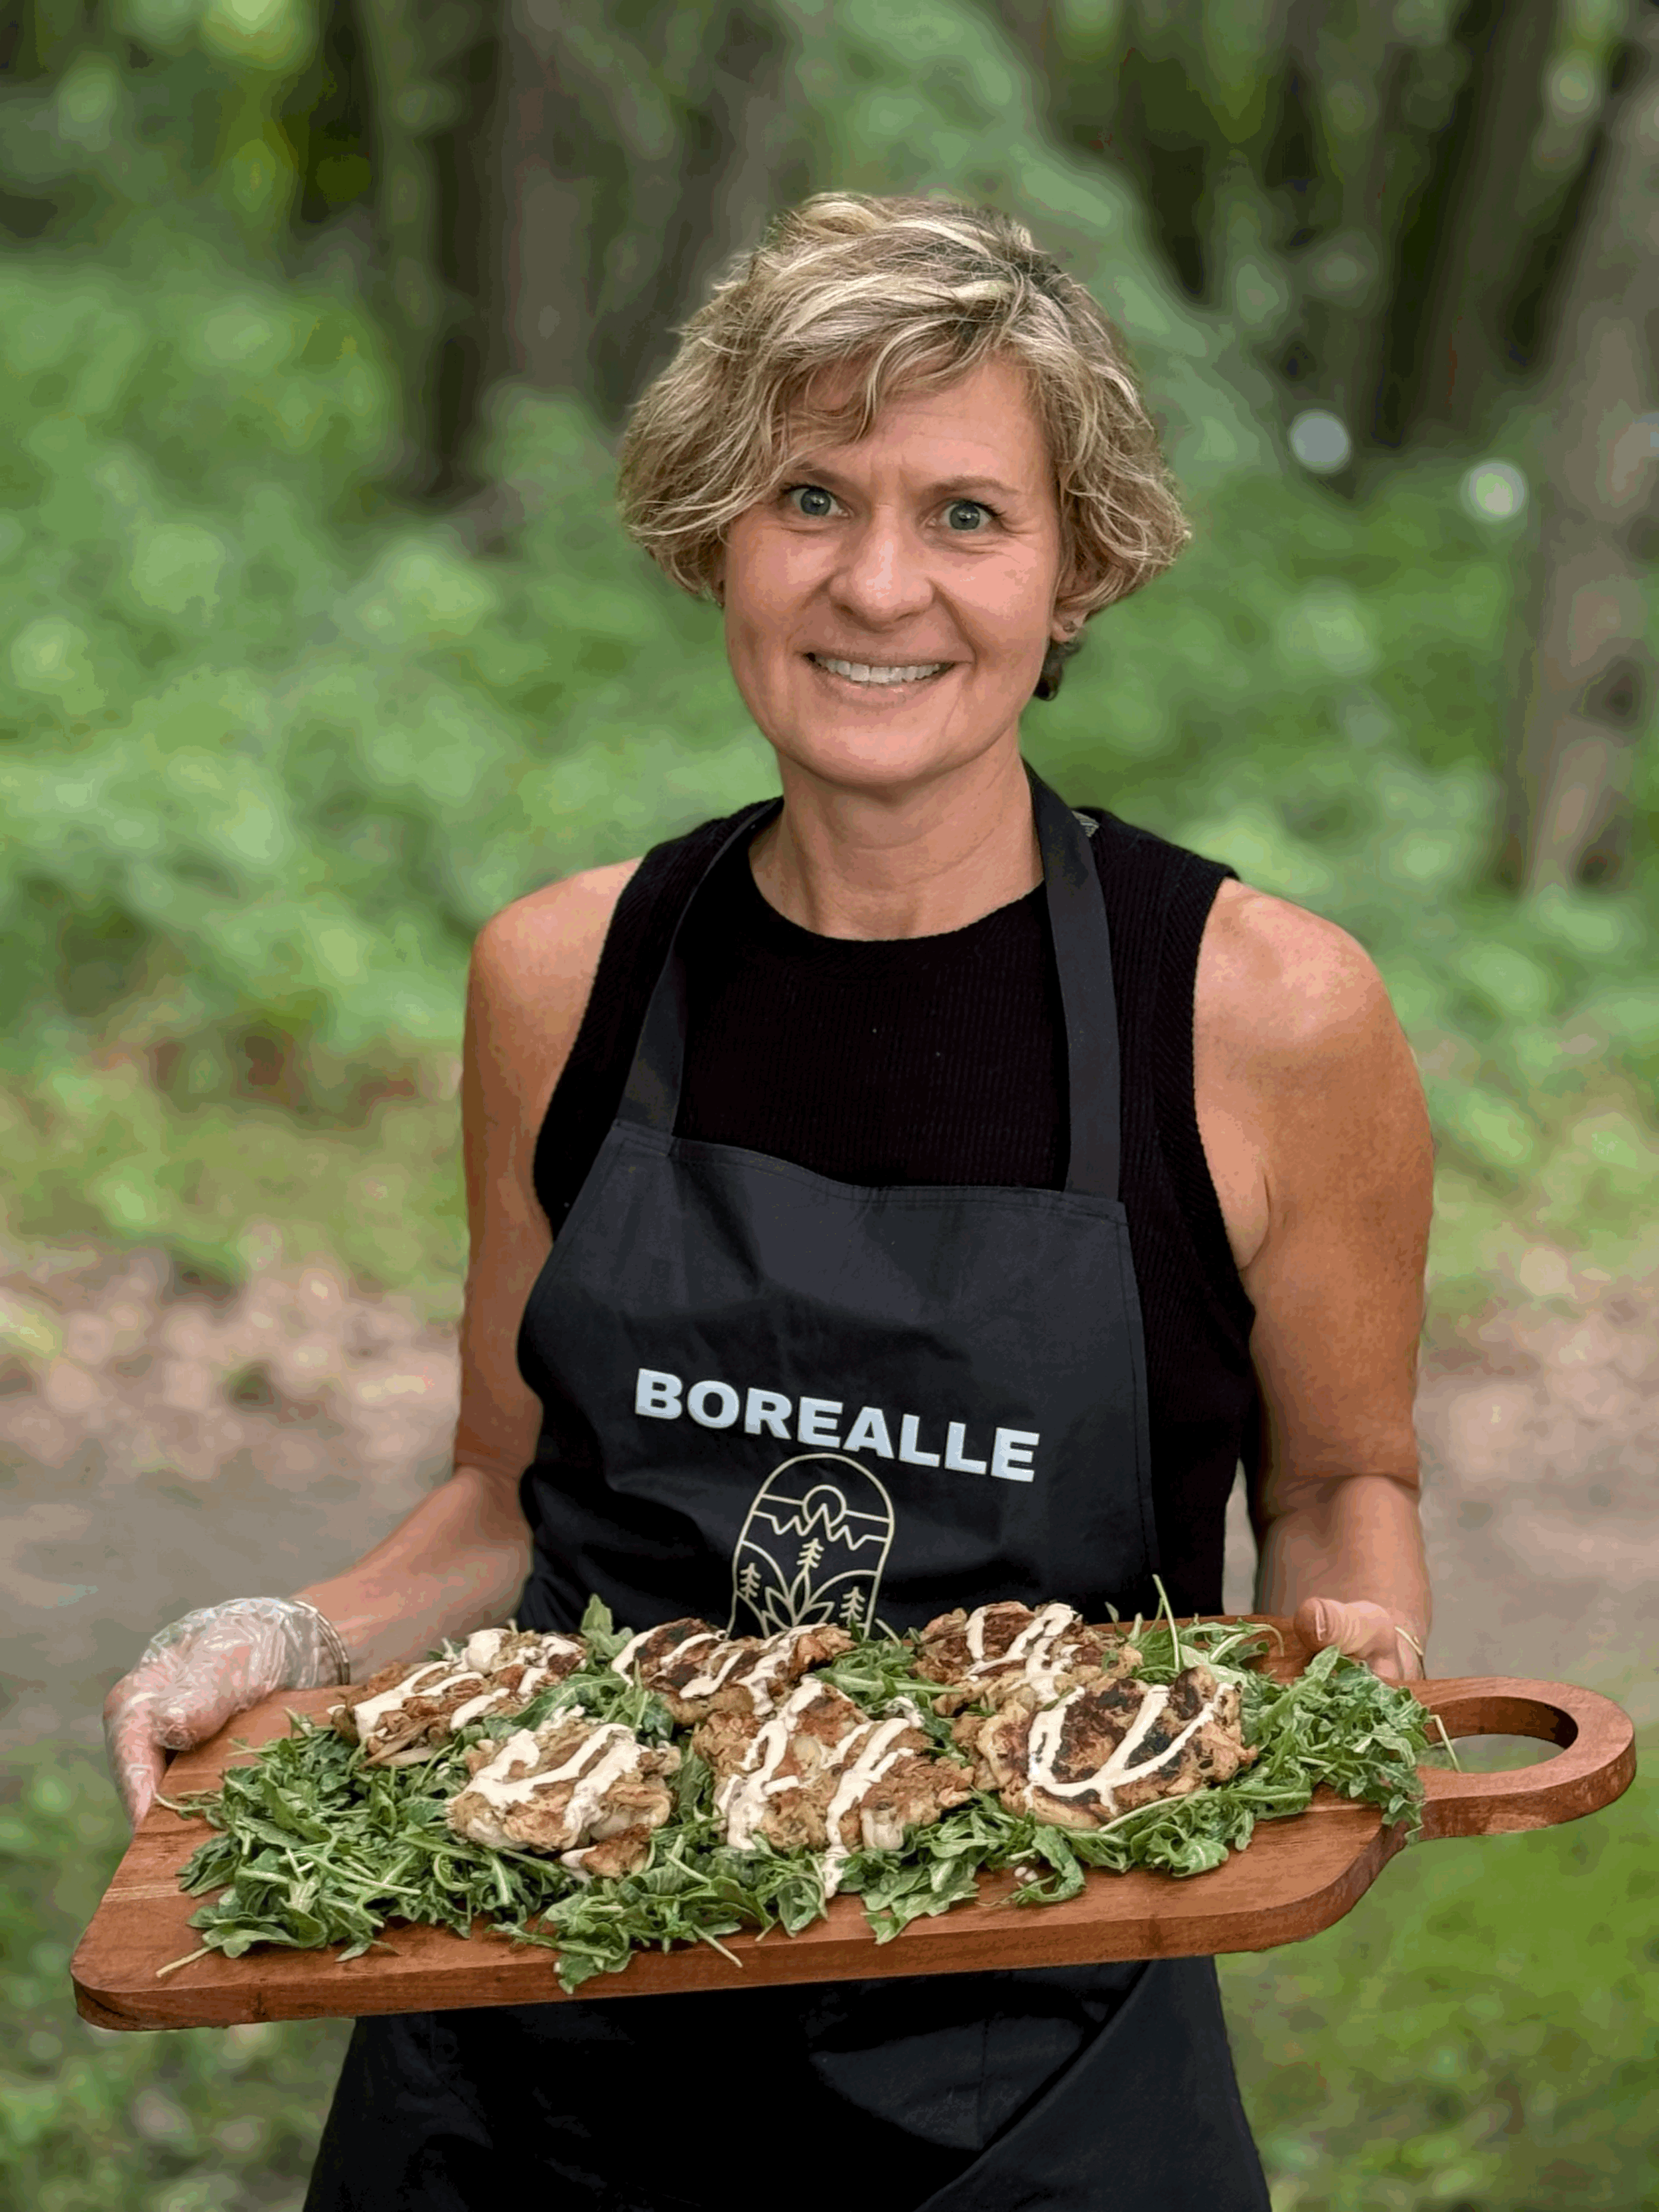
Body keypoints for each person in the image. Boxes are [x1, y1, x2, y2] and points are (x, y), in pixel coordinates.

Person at [104, 192, 1434, 2211]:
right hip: (528, 2037)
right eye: (809, 494)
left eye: (967, 513)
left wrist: (1352, 1645)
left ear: (1076, 568)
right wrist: (282, 1628)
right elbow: (499, 1498)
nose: (876, 583)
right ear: (715, 530)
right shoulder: (563, 977)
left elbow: (1342, 1486)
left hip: (1034, 2062)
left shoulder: (1260, 1014)